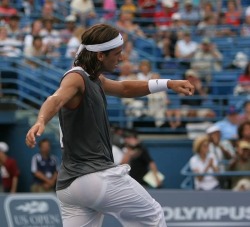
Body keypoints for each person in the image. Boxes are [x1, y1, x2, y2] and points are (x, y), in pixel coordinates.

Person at [25, 23, 194, 227]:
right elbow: (56, 99)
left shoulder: (93, 79)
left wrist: (167, 83)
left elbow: (124, 88)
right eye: (117, 53)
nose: (121, 58)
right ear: (100, 56)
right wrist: (41, 120)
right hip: (95, 177)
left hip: (69, 187)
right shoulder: (76, 78)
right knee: (153, 216)